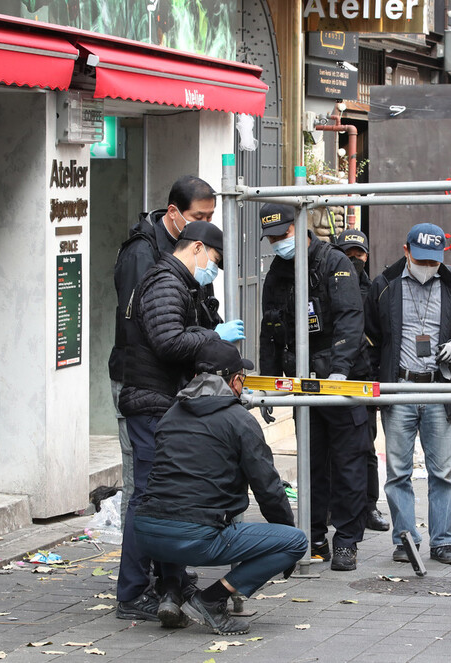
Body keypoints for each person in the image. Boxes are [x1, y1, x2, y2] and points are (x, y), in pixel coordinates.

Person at [134, 339, 307, 636]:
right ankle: (210, 600)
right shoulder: (239, 420)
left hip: (148, 534)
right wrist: (285, 540)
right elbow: (268, 488)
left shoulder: (170, 414)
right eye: (243, 378)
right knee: (296, 541)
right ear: (235, 380)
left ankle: (171, 592)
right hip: (195, 536)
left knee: (177, 506)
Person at [117, 222, 244, 625]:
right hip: (150, 400)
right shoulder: (165, 282)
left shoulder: (177, 282)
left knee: (166, 498)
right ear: (199, 249)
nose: (213, 270)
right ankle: (133, 592)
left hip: (160, 400)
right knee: (149, 499)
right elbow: (168, 341)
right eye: (215, 262)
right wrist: (211, 336)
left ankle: (171, 582)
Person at [109, 176, 243, 526]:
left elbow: (201, 310)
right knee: (143, 485)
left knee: (167, 484)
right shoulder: (143, 254)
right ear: (174, 212)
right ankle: (138, 573)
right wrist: (211, 336)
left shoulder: (193, 255)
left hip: (171, 385)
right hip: (140, 382)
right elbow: (153, 331)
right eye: (199, 215)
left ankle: (166, 571)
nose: (206, 224)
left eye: (211, 216)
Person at [258, 204, 369, 571]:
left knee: (348, 462)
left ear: (300, 227)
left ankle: (348, 540)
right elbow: (270, 329)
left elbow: (350, 320)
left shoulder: (333, 262)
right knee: (311, 462)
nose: (277, 243)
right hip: (301, 381)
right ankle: (315, 535)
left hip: (338, 378)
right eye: (271, 238)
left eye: (282, 235)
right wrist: (269, 381)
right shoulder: (277, 272)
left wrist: (340, 370)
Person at [365, 223, 451, 565]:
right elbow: (370, 336)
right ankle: (405, 541)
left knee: (442, 472)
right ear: (406, 251)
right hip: (398, 387)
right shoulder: (384, 285)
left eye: (434, 262)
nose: (428, 267)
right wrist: (377, 384)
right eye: (422, 260)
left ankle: (443, 541)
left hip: (437, 387)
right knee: (398, 472)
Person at [336, 230, 390, 533]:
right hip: (334, 376)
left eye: (359, 254)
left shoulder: (375, 290)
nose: (354, 259)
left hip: (364, 378)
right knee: (332, 446)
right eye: (348, 254)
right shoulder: (329, 285)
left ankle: (369, 506)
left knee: (365, 446)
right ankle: (335, 505)